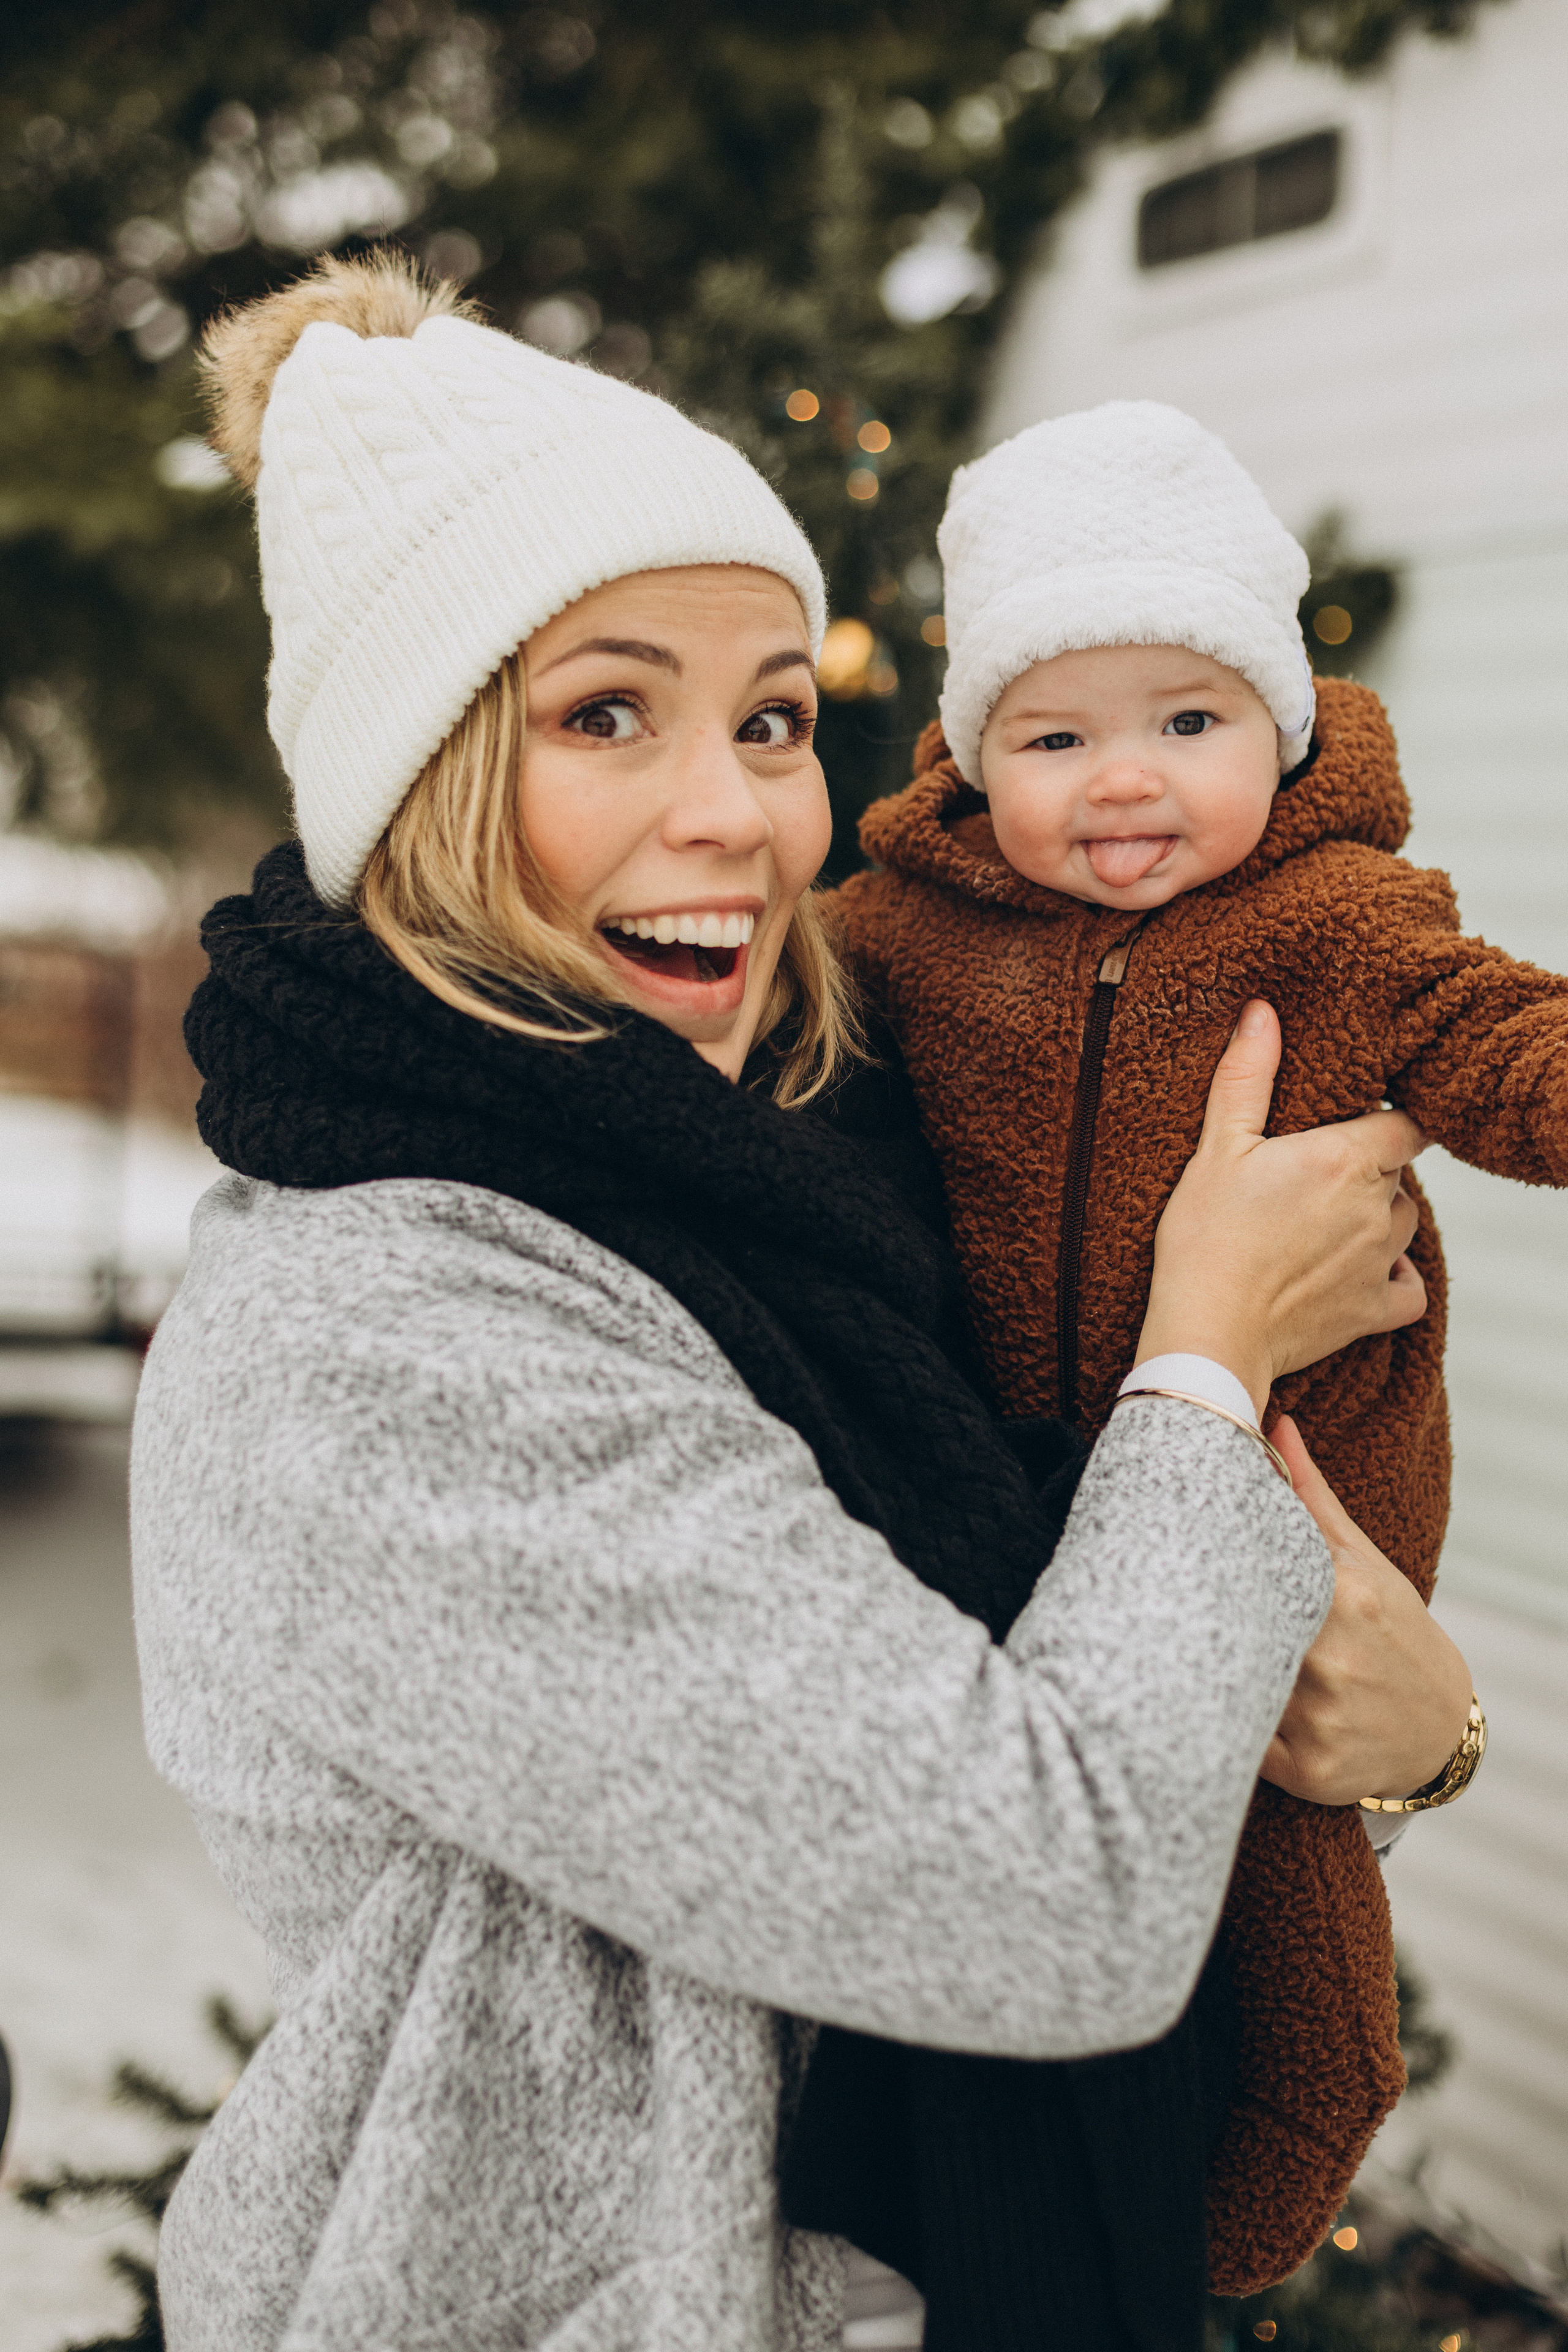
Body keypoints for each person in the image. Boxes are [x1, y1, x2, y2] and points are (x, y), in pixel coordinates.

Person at [129, 257, 1468, 2352]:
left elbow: (1103, 1635)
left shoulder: (806, 1167)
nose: (739, 815)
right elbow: (1047, 1893)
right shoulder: (387, 1335)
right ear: (417, 786)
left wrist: (1410, 1743)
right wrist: (1207, 1347)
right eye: (604, 714)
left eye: (772, 715)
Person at [831, 396, 1555, 2296]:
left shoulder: (1342, 926)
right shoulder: (899, 931)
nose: (1123, 780)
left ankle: (1235, 2222)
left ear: (1283, 730)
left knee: (1287, 1863)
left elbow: (1515, 1053)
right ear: (974, 754)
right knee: (1055, 1875)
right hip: (1006, 1527)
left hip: (1290, 1521)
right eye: (1056, 736)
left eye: (1188, 721)